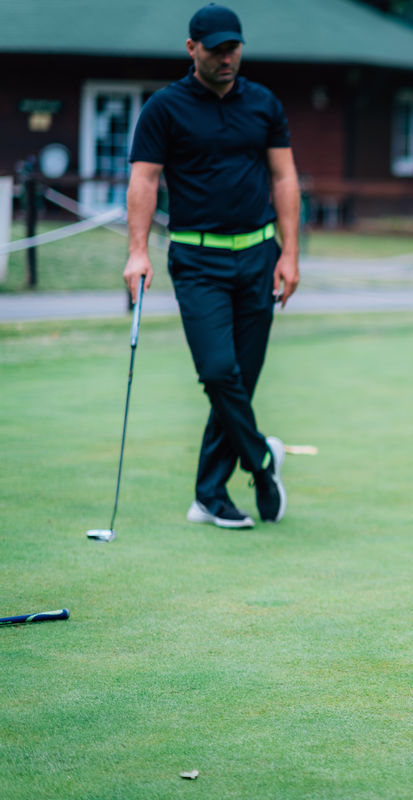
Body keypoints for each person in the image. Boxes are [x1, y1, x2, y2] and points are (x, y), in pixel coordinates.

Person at [122, 3, 298, 529]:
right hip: (197, 259)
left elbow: (285, 178)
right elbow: (144, 181)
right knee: (219, 371)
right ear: (191, 48)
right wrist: (137, 251)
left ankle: (209, 496)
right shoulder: (164, 108)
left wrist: (289, 253)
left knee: (242, 377)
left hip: (259, 255)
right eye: (217, 48)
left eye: (234, 48)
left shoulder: (264, 103)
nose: (227, 57)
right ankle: (262, 461)